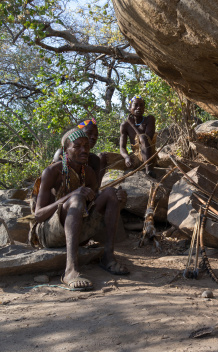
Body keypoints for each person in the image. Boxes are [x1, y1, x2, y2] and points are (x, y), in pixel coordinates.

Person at [33, 128, 129, 291]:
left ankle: (108, 257)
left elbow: (95, 201)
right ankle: (70, 270)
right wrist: (71, 196)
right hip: (49, 233)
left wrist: (120, 199)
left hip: (78, 232)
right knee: (76, 199)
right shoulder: (52, 172)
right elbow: (38, 215)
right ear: (65, 150)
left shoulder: (89, 173)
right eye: (77, 146)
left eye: (86, 146)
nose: (84, 150)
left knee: (111, 193)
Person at [53, 118, 106, 186]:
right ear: (78, 133)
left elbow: (95, 188)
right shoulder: (62, 154)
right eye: (89, 133)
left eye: (96, 135)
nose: (94, 137)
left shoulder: (94, 160)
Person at [119, 95, 157, 178]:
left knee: (143, 137)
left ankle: (148, 170)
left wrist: (132, 124)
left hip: (149, 156)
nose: (139, 108)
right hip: (135, 157)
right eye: (136, 105)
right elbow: (122, 147)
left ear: (144, 108)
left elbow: (147, 139)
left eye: (141, 105)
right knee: (103, 156)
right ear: (130, 108)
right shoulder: (125, 125)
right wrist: (126, 157)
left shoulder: (149, 119)